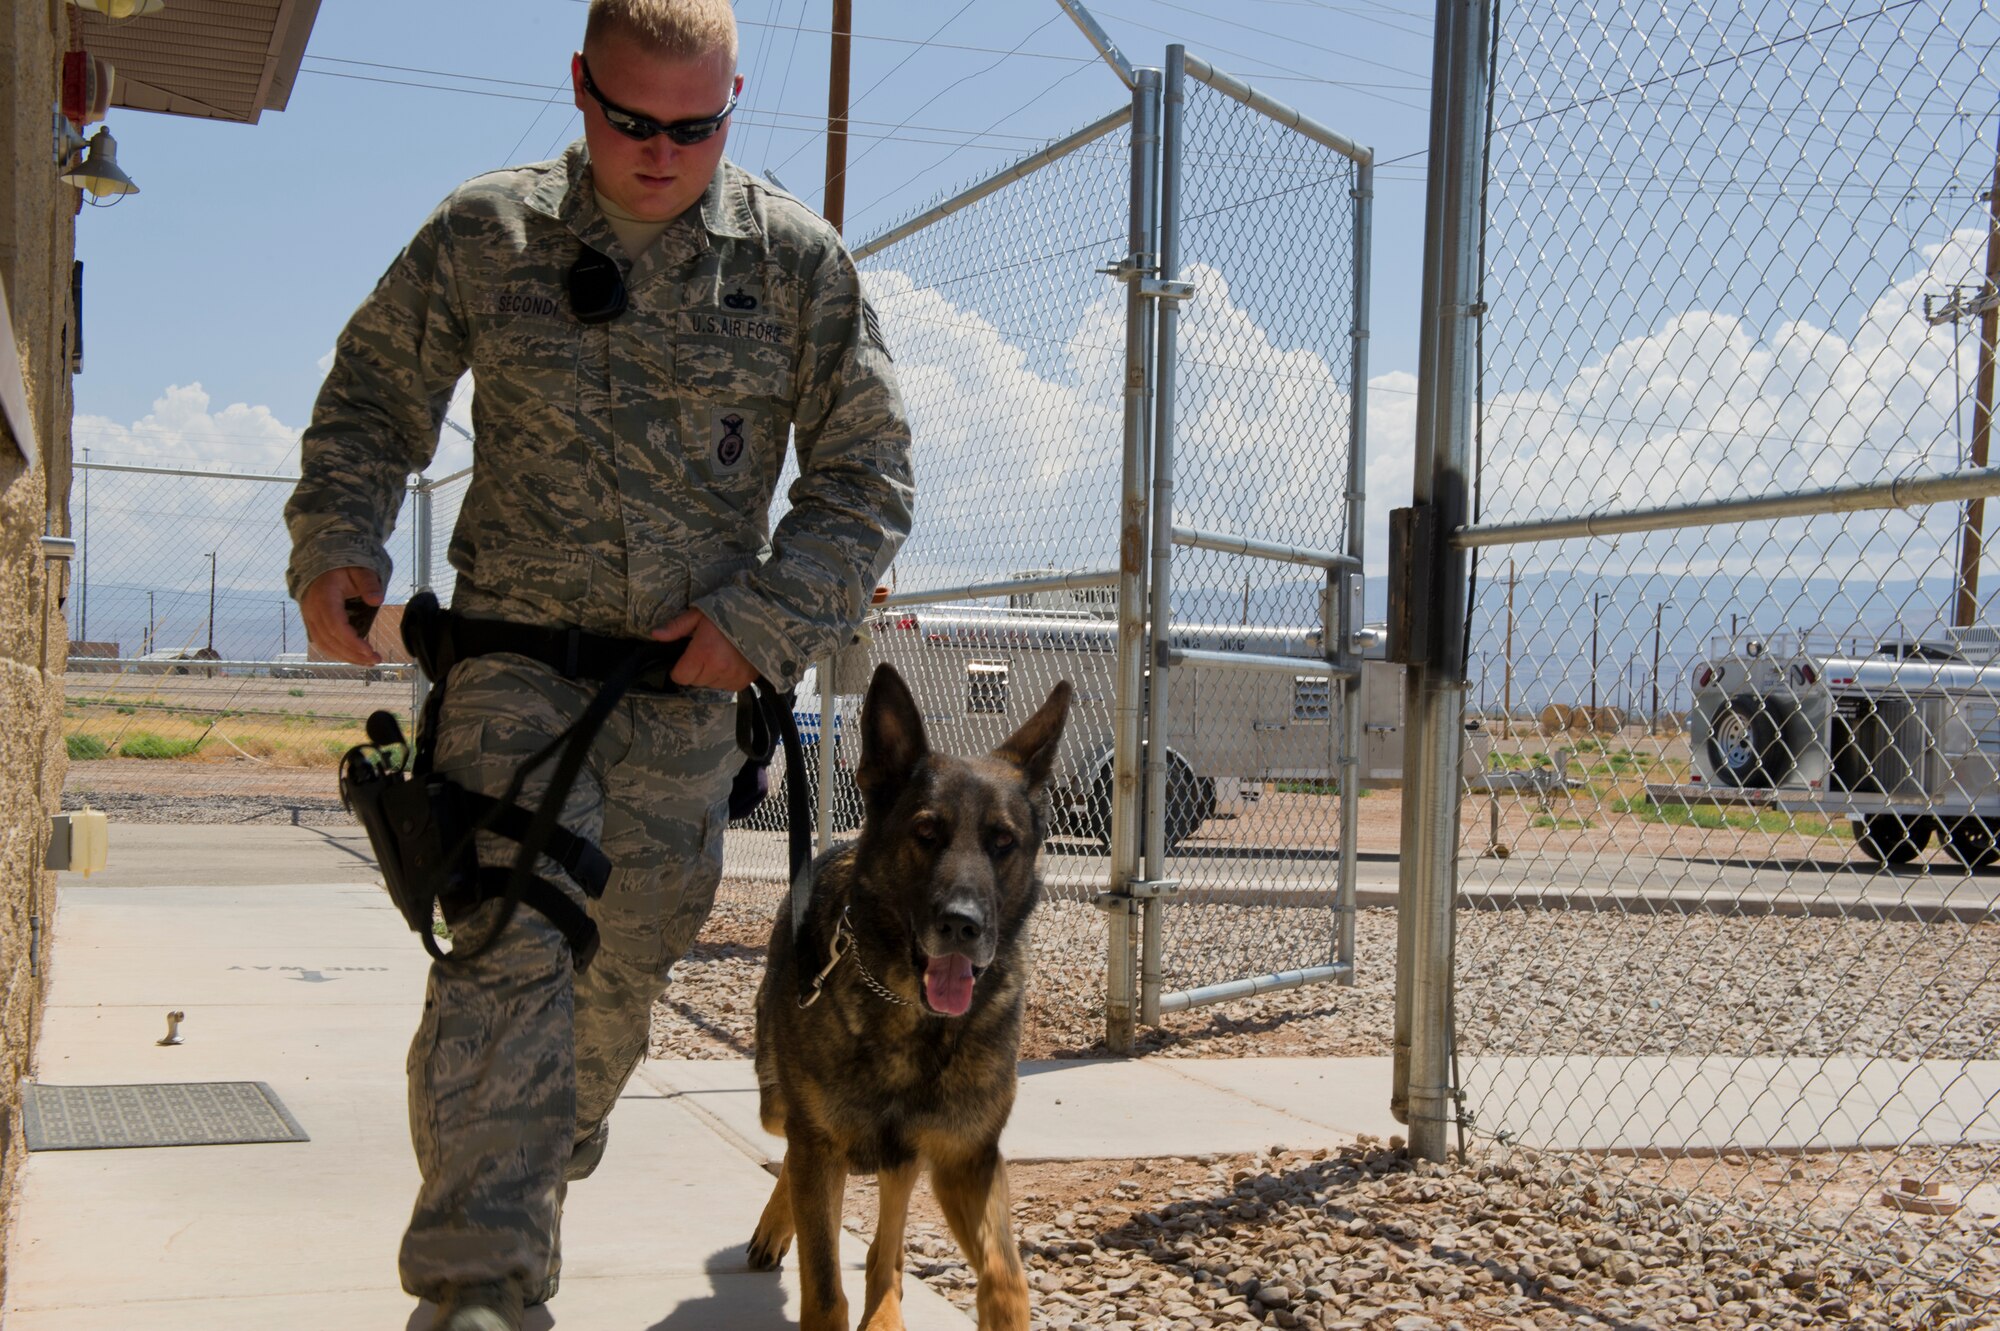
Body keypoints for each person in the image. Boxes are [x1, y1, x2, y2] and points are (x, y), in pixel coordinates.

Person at [282, 1, 913, 1325]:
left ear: (734, 101)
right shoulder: (486, 232)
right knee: (507, 951)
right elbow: (373, 397)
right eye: (632, 120)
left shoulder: (795, 265)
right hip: (512, 671)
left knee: (612, 991)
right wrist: (338, 539)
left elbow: (868, 478)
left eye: (697, 126)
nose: (662, 151)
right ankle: (479, 1287)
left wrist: (769, 614)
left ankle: (526, 1170)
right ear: (579, 88)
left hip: (685, 704)